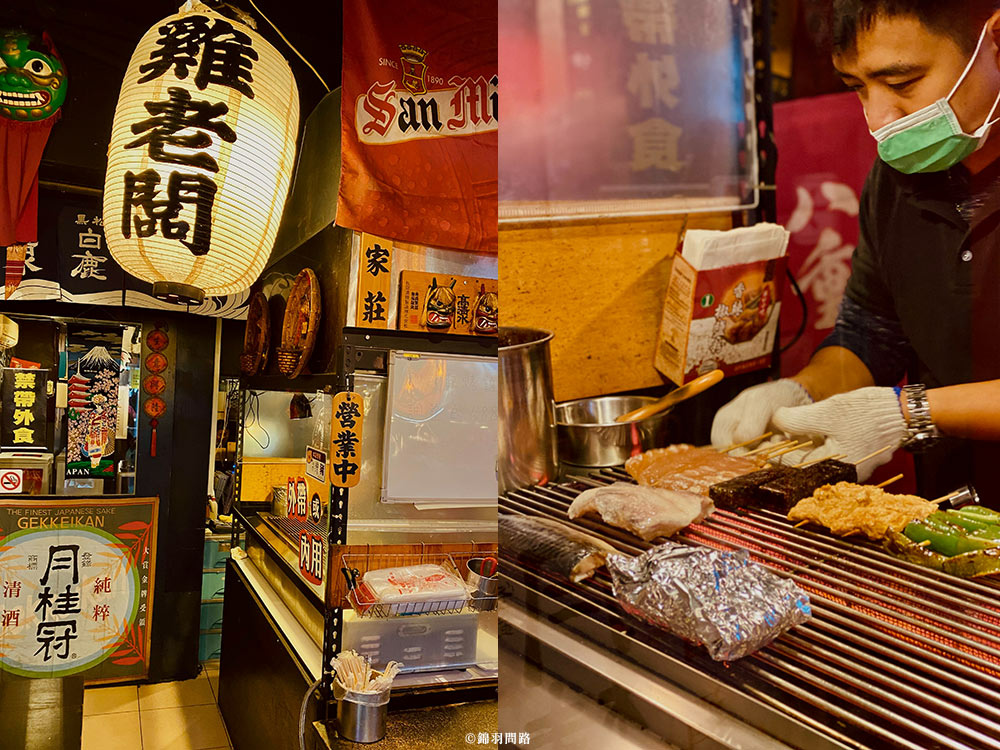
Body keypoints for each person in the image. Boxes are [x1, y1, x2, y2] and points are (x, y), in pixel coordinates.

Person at [711, 0, 1000, 506]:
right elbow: (873, 331)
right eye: (858, 87)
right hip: (956, 513)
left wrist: (910, 412)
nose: (879, 119)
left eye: (903, 82)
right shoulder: (898, 180)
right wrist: (803, 393)